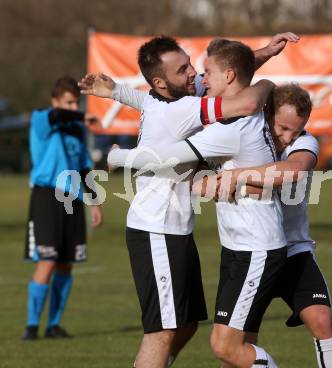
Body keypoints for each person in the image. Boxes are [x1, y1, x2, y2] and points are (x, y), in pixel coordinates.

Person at [79, 33, 298, 368]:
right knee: (163, 331)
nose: (194, 73)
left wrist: (117, 92)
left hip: (175, 231)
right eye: (183, 69)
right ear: (160, 81)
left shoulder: (164, 98)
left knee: (185, 325)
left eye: (193, 66)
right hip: (156, 228)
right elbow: (245, 101)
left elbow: (232, 72)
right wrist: (267, 83)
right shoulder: (185, 108)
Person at [213, 84, 332, 368]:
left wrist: (236, 176)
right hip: (249, 252)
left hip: (292, 249)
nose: (288, 138)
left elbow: (293, 171)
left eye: (296, 131)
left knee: (322, 320)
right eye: (283, 127)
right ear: (267, 113)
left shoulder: (305, 143)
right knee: (237, 348)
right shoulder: (246, 137)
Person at [22, 76, 103, 340]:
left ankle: (53, 325)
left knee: (67, 263)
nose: (71, 107)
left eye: (75, 102)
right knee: (47, 261)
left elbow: (83, 168)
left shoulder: (77, 130)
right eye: (67, 102)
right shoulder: (42, 118)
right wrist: (82, 116)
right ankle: (32, 326)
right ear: (55, 101)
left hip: (73, 200)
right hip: (46, 197)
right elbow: (58, 115)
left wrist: (93, 202)